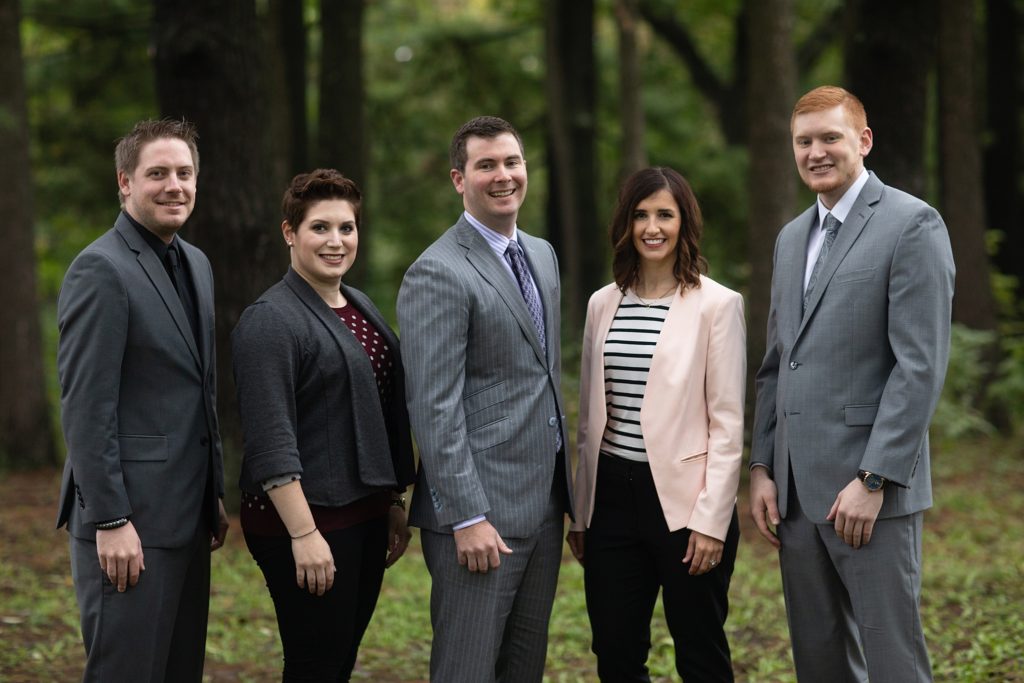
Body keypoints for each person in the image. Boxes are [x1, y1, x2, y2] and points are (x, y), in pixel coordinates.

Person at [750, 85, 955, 682]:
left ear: (862, 141)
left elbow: (918, 367)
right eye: (804, 141)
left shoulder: (912, 223)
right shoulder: (791, 238)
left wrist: (875, 478)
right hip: (793, 495)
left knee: (892, 660)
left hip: (869, 493)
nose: (816, 152)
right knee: (820, 664)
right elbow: (776, 362)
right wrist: (762, 467)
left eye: (830, 138)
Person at [396, 115, 573, 682]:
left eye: (512, 162)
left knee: (524, 668)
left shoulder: (541, 255)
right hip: (479, 514)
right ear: (459, 179)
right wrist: (467, 514)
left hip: (544, 504)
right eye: (487, 165)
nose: (503, 176)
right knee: (467, 668)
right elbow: (433, 405)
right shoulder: (437, 272)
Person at [55, 118, 228, 682]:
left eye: (184, 173)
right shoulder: (100, 268)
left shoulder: (195, 263)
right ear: (125, 182)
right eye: (158, 174)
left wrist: (213, 493)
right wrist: (111, 518)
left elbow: (196, 390)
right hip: (127, 523)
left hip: (186, 514)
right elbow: (86, 406)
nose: (174, 185)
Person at [232, 169, 416, 681]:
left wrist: (392, 501)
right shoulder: (269, 319)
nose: (336, 241)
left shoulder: (358, 305)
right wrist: (304, 533)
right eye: (320, 228)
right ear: (290, 232)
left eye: (347, 227)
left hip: (361, 516)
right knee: (315, 665)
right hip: (305, 523)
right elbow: (270, 436)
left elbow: (378, 409)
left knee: (338, 661)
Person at [567, 167, 746, 681]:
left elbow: (728, 424)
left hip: (687, 505)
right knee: (616, 651)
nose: (652, 227)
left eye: (665, 214)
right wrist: (582, 513)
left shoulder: (718, 305)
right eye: (641, 215)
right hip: (612, 502)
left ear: (684, 223)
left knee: (700, 651)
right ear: (625, 224)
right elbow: (589, 420)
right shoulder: (603, 302)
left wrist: (712, 521)